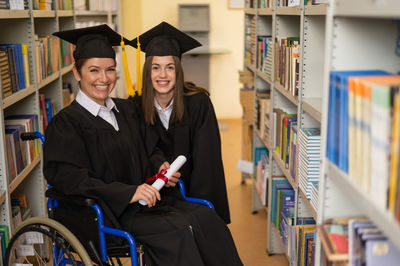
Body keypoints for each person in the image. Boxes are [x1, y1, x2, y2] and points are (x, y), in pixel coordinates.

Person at [44, 24, 243, 266]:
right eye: (94, 70)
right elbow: (70, 178)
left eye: (110, 70)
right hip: (111, 214)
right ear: (77, 73)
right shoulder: (66, 123)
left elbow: (150, 149)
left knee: (206, 219)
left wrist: (161, 166)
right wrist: (129, 192)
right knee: (179, 232)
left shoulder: (126, 110)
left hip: (150, 204)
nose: (103, 79)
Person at [128, 21, 231, 224]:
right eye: (156, 67)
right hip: (153, 196)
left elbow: (207, 164)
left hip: (192, 194)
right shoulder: (135, 107)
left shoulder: (198, 103)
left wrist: (200, 208)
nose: (163, 75)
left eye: (170, 67)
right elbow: (138, 151)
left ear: (179, 71)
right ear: (147, 71)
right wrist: (158, 166)